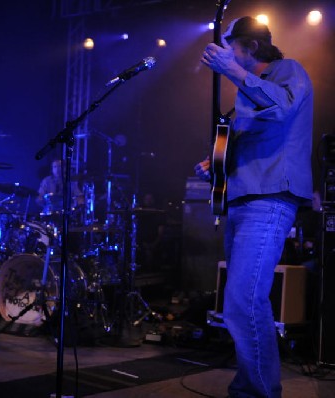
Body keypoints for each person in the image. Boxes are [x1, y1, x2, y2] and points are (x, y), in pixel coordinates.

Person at [195, 17, 313, 397]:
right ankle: (249, 389)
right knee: (243, 303)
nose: (228, 55)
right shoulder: (247, 96)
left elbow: (282, 110)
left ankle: (259, 393)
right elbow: (250, 144)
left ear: (252, 47)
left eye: (233, 48)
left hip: (270, 199)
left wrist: (231, 71)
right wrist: (216, 164)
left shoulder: (287, 71)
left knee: (242, 300)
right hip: (243, 200)